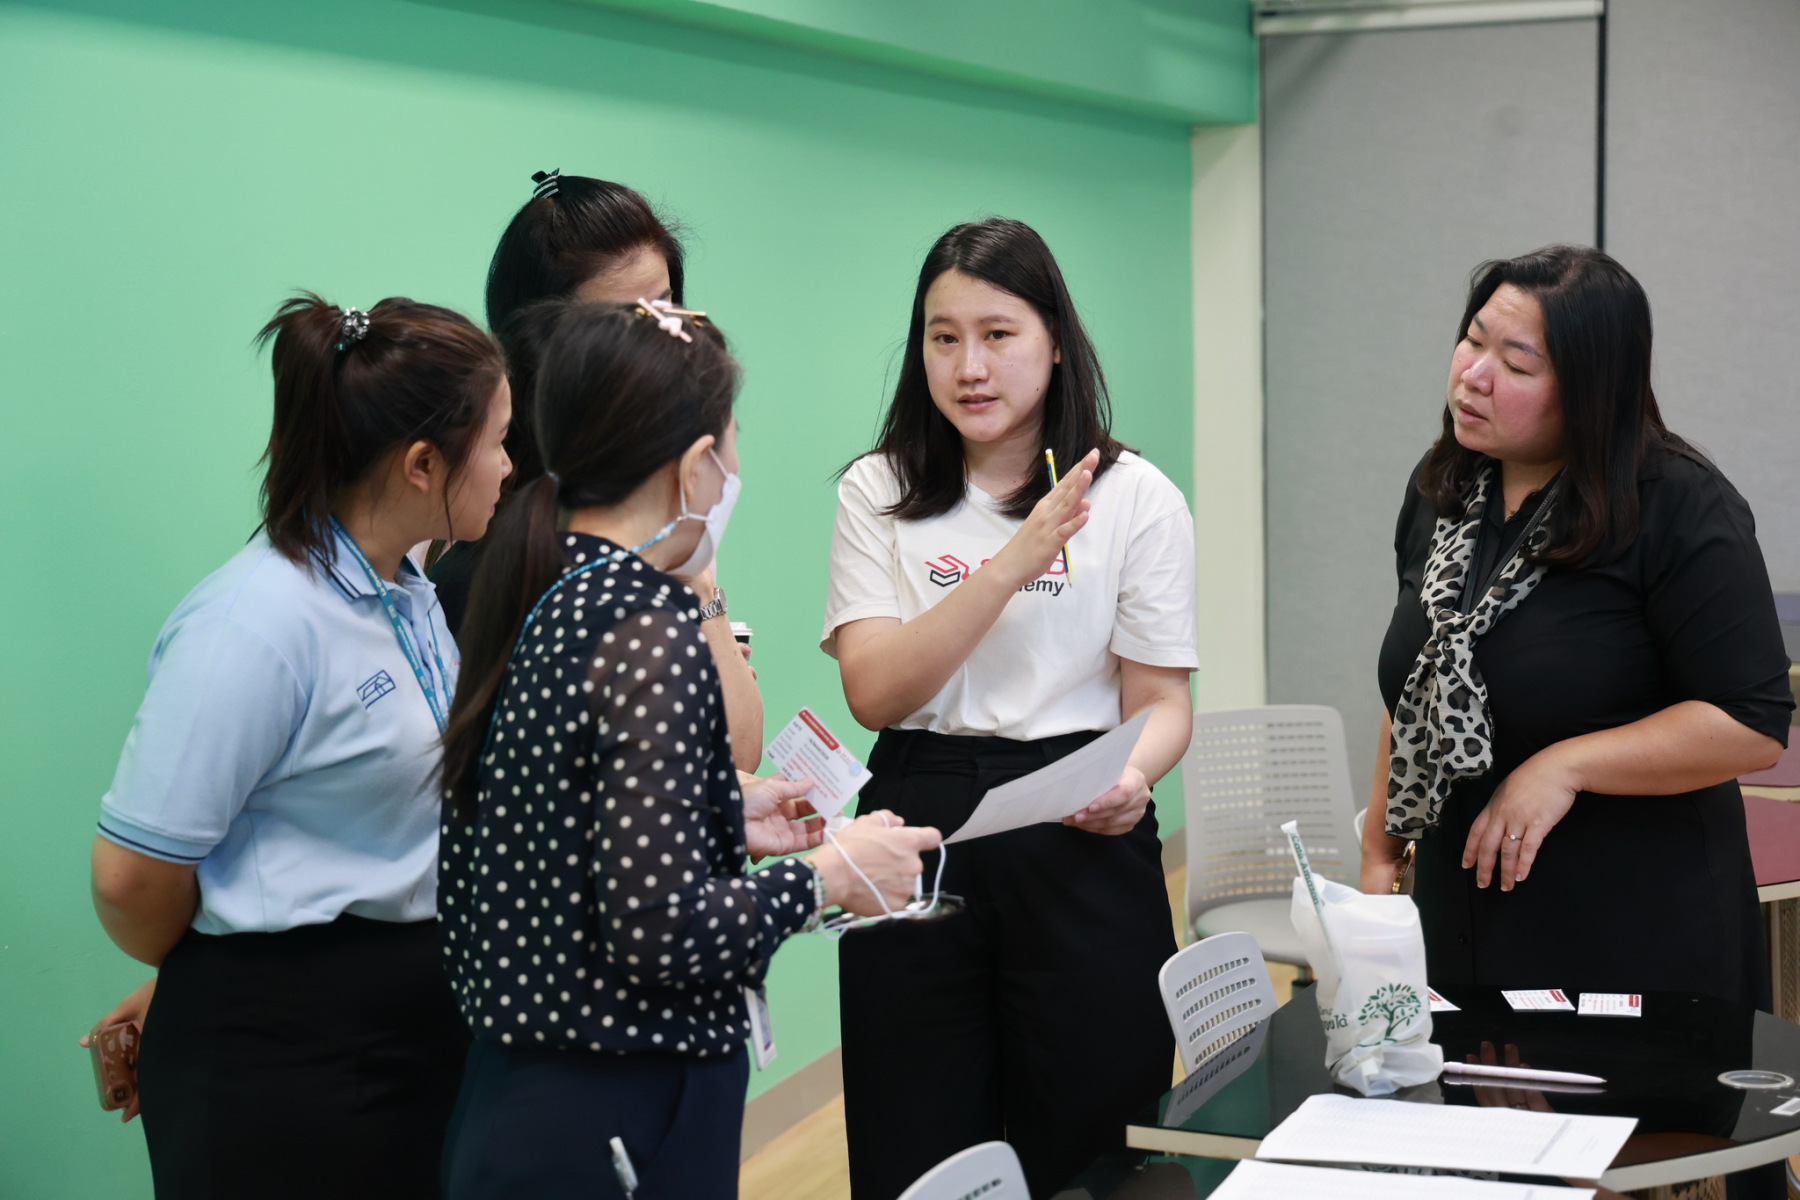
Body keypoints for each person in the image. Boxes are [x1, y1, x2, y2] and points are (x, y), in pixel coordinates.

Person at [436, 298, 940, 1199]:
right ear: (698, 464)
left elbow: (554, 824)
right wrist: (831, 874)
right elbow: (661, 929)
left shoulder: (552, 588)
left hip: (532, 1102)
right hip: (613, 1114)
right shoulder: (648, 629)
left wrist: (713, 805)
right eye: (733, 445)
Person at [85, 293, 513, 1197]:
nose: (510, 468)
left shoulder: (406, 595)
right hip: (282, 1068)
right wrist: (207, 964)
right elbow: (130, 879)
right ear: (422, 464)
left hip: (405, 1035)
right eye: (498, 443)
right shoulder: (254, 624)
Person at [823, 217, 1198, 1199]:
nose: (970, 366)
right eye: (943, 337)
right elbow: (875, 691)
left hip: (1079, 818)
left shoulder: (1137, 496)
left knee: (1095, 1138)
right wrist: (1012, 562)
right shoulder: (878, 487)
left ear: (1055, 342)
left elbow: (1161, 701)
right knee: (915, 1141)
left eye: (998, 334)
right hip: (917, 822)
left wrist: (1134, 775)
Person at [1363, 245, 1792, 1008]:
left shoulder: (1676, 505)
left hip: (1631, 928)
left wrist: (1565, 766)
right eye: (1472, 340)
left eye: (1516, 365)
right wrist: (1379, 853)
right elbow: (1414, 688)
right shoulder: (1445, 489)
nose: (1474, 375)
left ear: (1592, 392)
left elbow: (1749, 723)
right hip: (1461, 911)